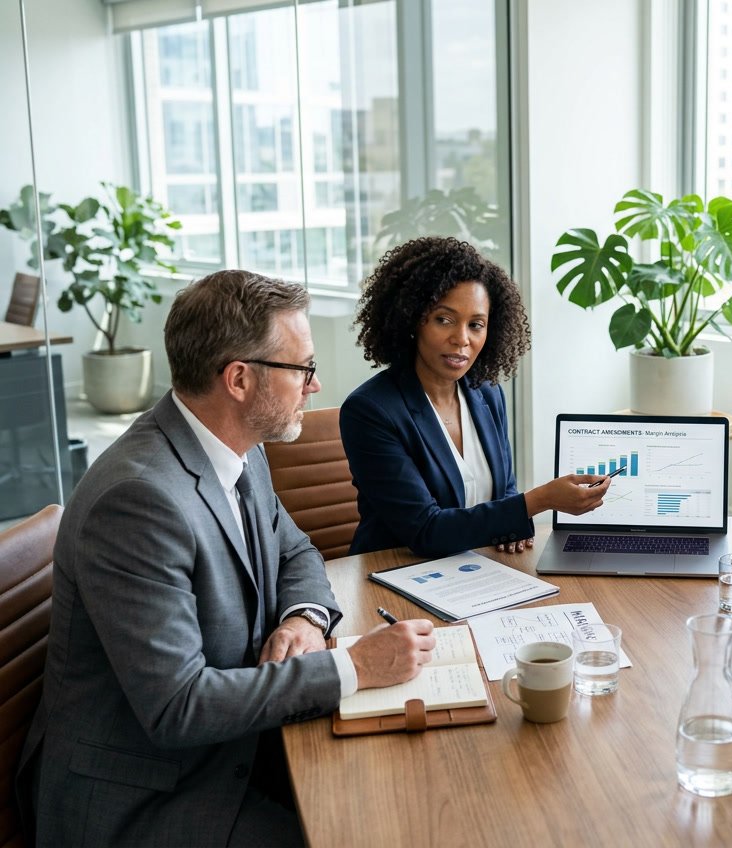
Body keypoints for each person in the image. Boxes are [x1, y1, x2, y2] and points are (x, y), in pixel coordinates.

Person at [17, 270, 437, 847]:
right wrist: (355, 668)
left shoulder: (239, 446)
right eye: (304, 368)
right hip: (148, 798)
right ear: (239, 379)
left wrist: (304, 618)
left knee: (405, 794)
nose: (315, 386)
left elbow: (295, 550)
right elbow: (178, 706)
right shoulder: (137, 501)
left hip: (234, 745)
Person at [341, 236, 607, 557]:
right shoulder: (370, 411)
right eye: (444, 319)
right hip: (394, 572)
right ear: (413, 320)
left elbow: (504, 489)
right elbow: (426, 530)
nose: (461, 339)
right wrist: (538, 502)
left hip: (475, 569)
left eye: (476, 324)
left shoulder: (486, 391)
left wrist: (509, 524)